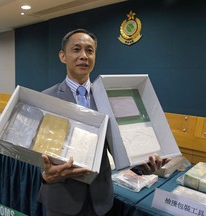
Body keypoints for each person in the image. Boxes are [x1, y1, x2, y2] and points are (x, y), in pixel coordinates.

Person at [38, 29, 170, 216]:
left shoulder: (109, 99)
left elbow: (121, 147)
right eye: (76, 49)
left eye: (89, 51)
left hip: (100, 200)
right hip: (62, 198)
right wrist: (46, 176)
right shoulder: (47, 98)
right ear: (63, 56)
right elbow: (40, 155)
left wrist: (144, 165)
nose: (84, 56)